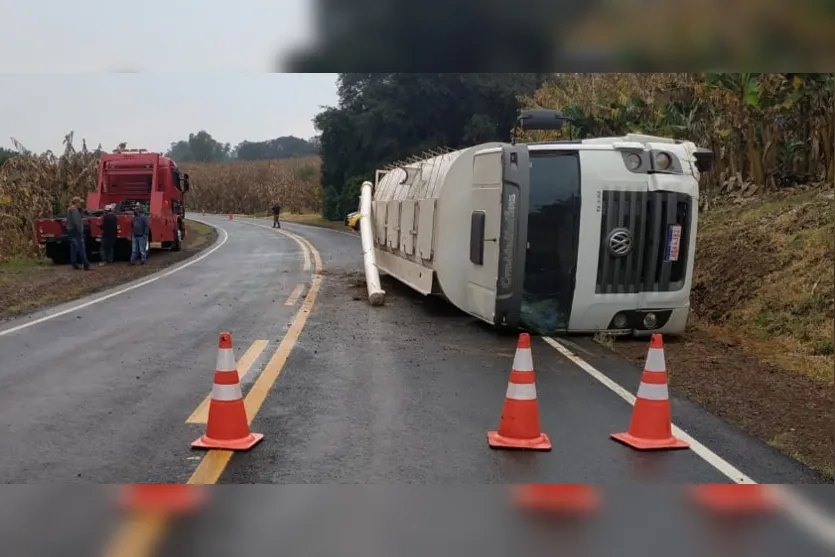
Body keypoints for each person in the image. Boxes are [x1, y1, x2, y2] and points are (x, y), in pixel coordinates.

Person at [66, 196, 91, 271]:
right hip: (76, 231)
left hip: (71, 231)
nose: (80, 204)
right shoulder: (74, 210)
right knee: (81, 247)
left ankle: (74, 263)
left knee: (73, 248)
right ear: (76, 202)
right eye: (79, 203)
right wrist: (80, 231)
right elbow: (76, 222)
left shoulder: (69, 209)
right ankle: (86, 264)